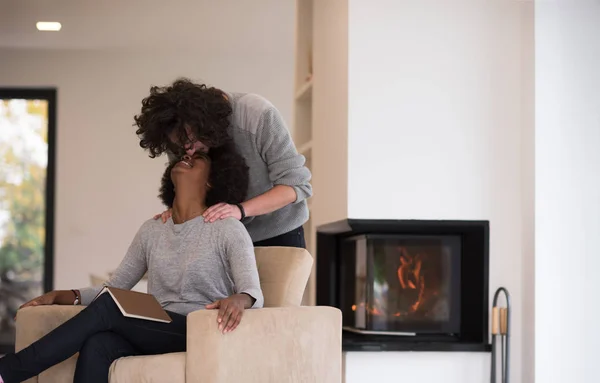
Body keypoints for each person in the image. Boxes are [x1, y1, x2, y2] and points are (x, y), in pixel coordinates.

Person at [0, 145, 263, 383]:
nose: (187, 156)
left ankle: (8, 371)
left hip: (199, 329)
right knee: (98, 344)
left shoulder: (228, 228)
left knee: (110, 308)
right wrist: (65, 295)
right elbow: (115, 287)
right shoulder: (152, 230)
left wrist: (240, 299)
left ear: (212, 180)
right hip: (155, 326)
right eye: (185, 154)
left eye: (199, 157)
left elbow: (252, 292)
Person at [134, 78, 312, 248]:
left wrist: (240, 211)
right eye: (180, 146)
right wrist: (176, 212)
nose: (188, 151)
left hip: (278, 232)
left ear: (206, 124)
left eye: (192, 141)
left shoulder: (256, 114)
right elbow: (189, 190)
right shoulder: (177, 136)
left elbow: (296, 185)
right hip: (222, 238)